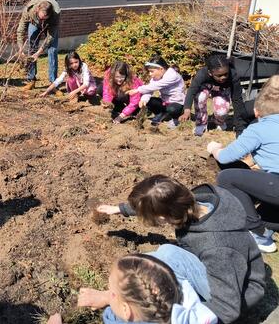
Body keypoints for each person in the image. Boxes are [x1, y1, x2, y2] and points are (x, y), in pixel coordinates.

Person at [97, 175, 265, 324]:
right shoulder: (199, 199)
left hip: (238, 294)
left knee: (166, 256)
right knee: (163, 258)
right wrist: (120, 209)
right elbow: (157, 200)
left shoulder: (217, 247)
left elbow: (228, 308)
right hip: (226, 270)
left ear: (162, 218)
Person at [207, 75, 279, 253]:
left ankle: (257, 232)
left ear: (256, 112)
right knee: (264, 198)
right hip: (273, 184)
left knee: (227, 177)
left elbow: (225, 158)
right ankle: (267, 224)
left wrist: (215, 148)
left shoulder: (258, 129)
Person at [61, 253, 217, 324]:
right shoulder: (170, 258)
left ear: (125, 310)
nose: (108, 293)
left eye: (112, 292)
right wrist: (108, 297)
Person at [180, 55, 249, 136]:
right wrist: (187, 110)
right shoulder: (202, 74)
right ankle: (201, 123)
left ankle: (218, 121)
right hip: (205, 87)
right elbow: (192, 90)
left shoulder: (233, 75)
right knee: (200, 97)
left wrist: (240, 128)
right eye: (219, 75)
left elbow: (237, 101)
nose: (223, 77)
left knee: (221, 112)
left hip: (222, 89)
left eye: (226, 74)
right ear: (210, 73)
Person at [127, 56, 185, 129]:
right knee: (150, 101)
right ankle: (160, 114)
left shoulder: (172, 75)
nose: (150, 74)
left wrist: (138, 90)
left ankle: (176, 118)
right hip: (165, 102)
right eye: (149, 72)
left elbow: (155, 86)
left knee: (172, 109)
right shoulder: (156, 77)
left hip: (177, 102)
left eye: (152, 71)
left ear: (161, 69)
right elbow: (149, 88)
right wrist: (144, 99)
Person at [16, 0, 61, 91]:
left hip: (50, 26)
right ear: (37, 10)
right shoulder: (29, 11)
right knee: (31, 48)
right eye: (41, 18)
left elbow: (50, 37)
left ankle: (53, 84)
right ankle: (31, 80)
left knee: (52, 50)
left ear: (49, 15)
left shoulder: (55, 14)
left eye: (45, 18)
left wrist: (39, 52)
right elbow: (20, 31)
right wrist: (20, 48)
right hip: (34, 23)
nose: (42, 21)